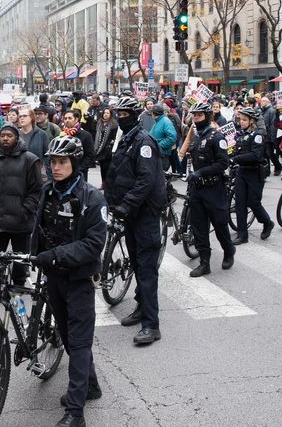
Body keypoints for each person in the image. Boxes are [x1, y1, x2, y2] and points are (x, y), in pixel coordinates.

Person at [31, 135, 107, 427]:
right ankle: (91, 386)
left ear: (74, 163)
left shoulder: (92, 198)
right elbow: (38, 229)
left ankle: (75, 412)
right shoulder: (48, 192)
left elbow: (93, 244)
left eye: (62, 162)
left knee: (78, 343)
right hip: (53, 278)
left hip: (79, 280)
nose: (56, 167)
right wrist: (33, 256)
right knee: (66, 337)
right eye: (52, 162)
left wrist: (55, 255)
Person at [105, 96, 166, 345]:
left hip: (144, 215)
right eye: (118, 113)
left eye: (124, 114)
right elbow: (119, 173)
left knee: (147, 267)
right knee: (138, 265)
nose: (120, 118)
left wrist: (126, 204)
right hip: (130, 214)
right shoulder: (127, 138)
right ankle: (142, 306)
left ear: (135, 115)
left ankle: (152, 325)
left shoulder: (143, 141)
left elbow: (146, 180)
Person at [0, 124, 43, 296]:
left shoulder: (30, 159)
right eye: (2, 135)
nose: (5, 138)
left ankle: (18, 285)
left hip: (21, 221)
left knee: (20, 259)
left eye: (9, 136)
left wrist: (26, 210)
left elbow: (36, 190)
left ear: (16, 138)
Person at [179, 102, 236, 277]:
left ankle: (228, 251)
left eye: (199, 115)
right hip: (197, 189)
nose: (196, 118)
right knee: (199, 227)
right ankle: (205, 263)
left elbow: (222, 163)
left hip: (214, 188)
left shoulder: (217, 137)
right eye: (194, 115)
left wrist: (201, 172)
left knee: (219, 224)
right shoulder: (196, 136)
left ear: (207, 116)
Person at [230, 107, 275, 244]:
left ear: (252, 121)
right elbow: (235, 150)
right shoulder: (240, 134)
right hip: (242, 171)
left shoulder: (258, 135)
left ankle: (267, 222)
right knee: (240, 203)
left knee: (253, 202)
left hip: (255, 172)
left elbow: (255, 155)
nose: (242, 122)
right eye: (241, 119)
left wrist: (236, 159)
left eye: (244, 120)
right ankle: (242, 235)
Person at [60, 109, 96, 177]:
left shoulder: (86, 135)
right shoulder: (62, 134)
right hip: (64, 171)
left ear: (76, 119)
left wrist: (79, 169)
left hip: (79, 173)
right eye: (65, 118)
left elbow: (90, 156)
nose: (67, 120)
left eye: (70, 118)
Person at [93, 107, 119, 185]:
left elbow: (114, 137)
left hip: (108, 149)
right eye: (105, 113)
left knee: (107, 167)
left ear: (110, 114)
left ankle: (108, 183)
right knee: (102, 167)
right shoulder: (99, 123)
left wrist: (109, 146)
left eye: (108, 113)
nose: (106, 115)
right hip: (99, 148)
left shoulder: (114, 124)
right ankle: (103, 183)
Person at [148, 104, 177, 169]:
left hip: (162, 156)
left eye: (152, 112)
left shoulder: (165, 121)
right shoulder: (159, 121)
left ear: (154, 114)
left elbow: (172, 137)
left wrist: (158, 145)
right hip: (158, 154)